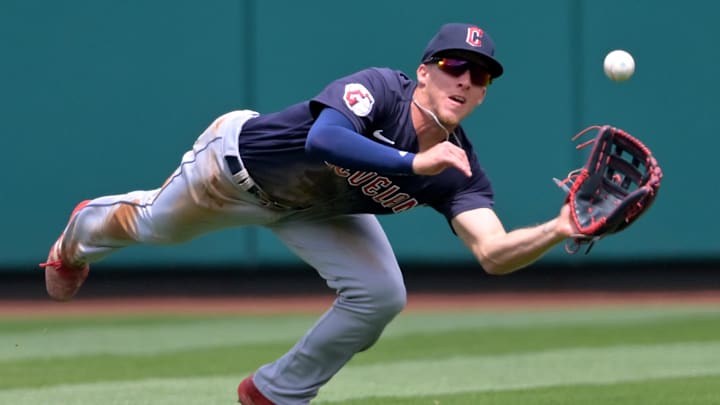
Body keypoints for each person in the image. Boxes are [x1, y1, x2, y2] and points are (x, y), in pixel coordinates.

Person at [41, 22, 579, 404]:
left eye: (480, 76)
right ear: (424, 72)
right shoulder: (380, 90)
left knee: (382, 294)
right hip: (233, 172)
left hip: (316, 208)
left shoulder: (458, 166)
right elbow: (325, 137)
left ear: (484, 94)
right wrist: (414, 160)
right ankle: (73, 244)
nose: (464, 80)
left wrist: (560, 227)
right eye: (453, 65)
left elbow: (492, 252)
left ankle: (274, 393)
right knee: (152, 226)